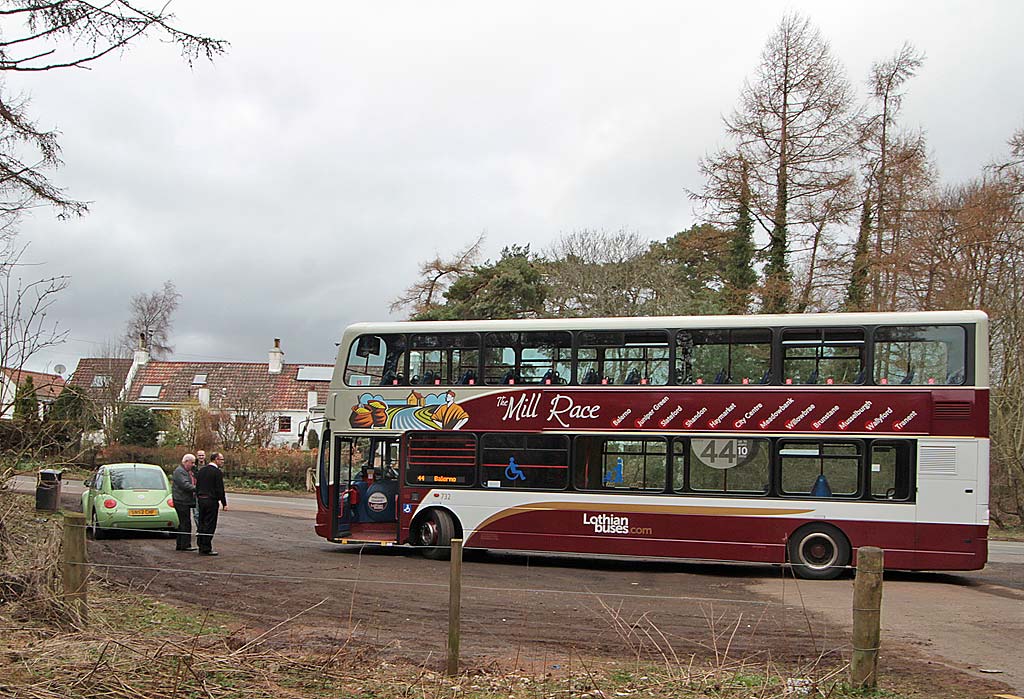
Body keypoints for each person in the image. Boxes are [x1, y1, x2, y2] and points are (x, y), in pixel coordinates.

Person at [196, 451, 228, 556]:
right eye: (221, 459)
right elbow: (220, 489)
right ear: (216, 460)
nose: (222, 462)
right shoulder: (217, 472)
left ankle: (200, 544)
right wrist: (224, 503)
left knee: (201, 523)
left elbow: (197, 486)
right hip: (211, 501)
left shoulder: (202, 471)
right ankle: (206, 547)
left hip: (201, 499)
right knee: (210, 524)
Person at [171, 453, 198, 551]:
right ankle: (184, 545)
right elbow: (185, 485)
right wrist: (198, 489)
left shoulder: (186, 471)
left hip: (183, 500)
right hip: (181, 500)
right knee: (185, 523)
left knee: (184, 522)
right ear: (186, 462)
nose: (193, 465)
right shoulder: (179, 472)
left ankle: (181, 544)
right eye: (192, 463)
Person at [193, 450, 207, 532]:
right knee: (196, 513)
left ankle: (204, 529)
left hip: (205, 493)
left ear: (205, 456)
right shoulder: (193, 467)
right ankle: (199, 529)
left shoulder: (208, 466)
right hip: (196, 493)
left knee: (204, 513)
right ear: (197, 456)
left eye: (202, 455)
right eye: (199, 455)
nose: (201, 457)